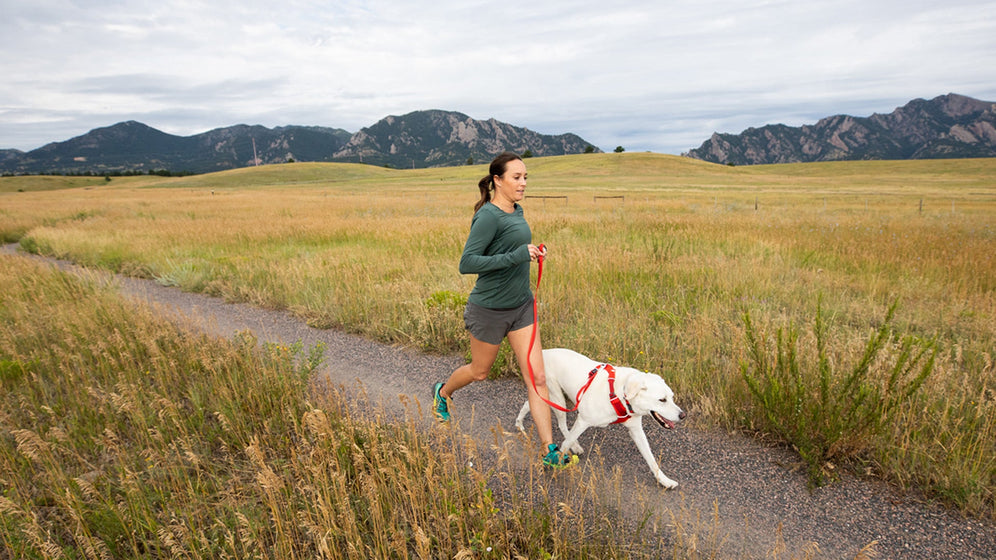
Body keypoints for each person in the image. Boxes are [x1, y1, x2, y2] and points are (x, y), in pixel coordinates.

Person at [432, 151, 575, 468]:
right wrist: (516, 256)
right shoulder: (488, 217)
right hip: (490, 310)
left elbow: (513, 250)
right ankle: (442, 392)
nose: (523, 183)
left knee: (537, 378)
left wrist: (533, 253)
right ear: (497, 180)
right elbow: (467, 264)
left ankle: (549, 451)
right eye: (517, 177)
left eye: (525, 177)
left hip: (521, 306)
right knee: (480, 372)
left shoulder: (516, 211)